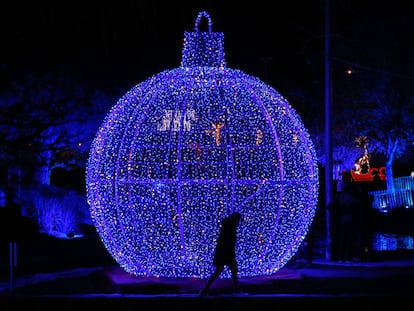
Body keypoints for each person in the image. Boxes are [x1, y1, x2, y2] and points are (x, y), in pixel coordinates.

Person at [199, 212, 243, 296]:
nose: (239, 222)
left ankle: (205, 290)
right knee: (230, 271)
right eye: (238, 220)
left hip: (224, 253)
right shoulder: (230, 228)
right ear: (235, 219)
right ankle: (236, 290)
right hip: (227, 254)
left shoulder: (227, 227)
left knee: (222, 271)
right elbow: (228, 242)